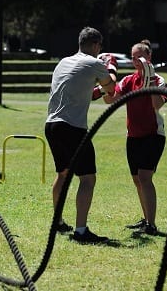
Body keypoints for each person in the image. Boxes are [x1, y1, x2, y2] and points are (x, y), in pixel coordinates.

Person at [45, 26, 117, 243]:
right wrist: (110, 66)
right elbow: (111, 87)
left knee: (63, 174)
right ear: (96, 45)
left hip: (52, 125)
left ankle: (57, 222)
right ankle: (81, 231)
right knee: (87, 178)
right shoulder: (94, 63)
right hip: (72, 127)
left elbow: (83, 91)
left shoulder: (63, 62)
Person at [102, 39, 167, 235]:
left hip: (153, 135)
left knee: (145, 178)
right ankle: (146, 218)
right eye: (133, 57)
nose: (136, 61)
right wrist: (104, 81)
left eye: (140, 56)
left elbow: (157, 105)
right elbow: (109, 100)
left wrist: (151, 80)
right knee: (137, 179)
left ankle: (152, 225)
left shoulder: (159, 80)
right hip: (133, 136)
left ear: (149, 57)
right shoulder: (128, 80)